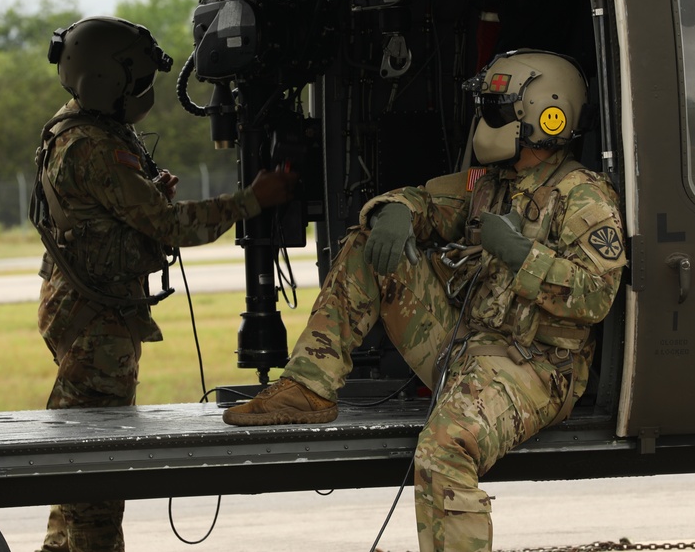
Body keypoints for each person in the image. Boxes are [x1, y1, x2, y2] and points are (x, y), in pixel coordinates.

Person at [222, 49, 627, 552]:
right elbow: (424, 200)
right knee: (369, 244)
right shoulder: (489, 185)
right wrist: (391, 211)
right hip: (463, 352)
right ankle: (309, 385)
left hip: (537, 369)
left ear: (548, 115)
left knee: (445, 449)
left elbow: (596, 297)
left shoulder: (582, 196)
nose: (487, 119)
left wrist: (522, 256)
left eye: (499, 109)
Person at [31, 16, 297, 552]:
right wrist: (254, 199)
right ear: (106, 83)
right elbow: (172, 226)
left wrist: (144, 192)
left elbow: (109, 209)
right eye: (135, 84)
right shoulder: (96, 147)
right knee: (96, 469)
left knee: (77, 453)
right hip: (96, 324)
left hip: (80, 306)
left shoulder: (75, 127)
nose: (143, 96)